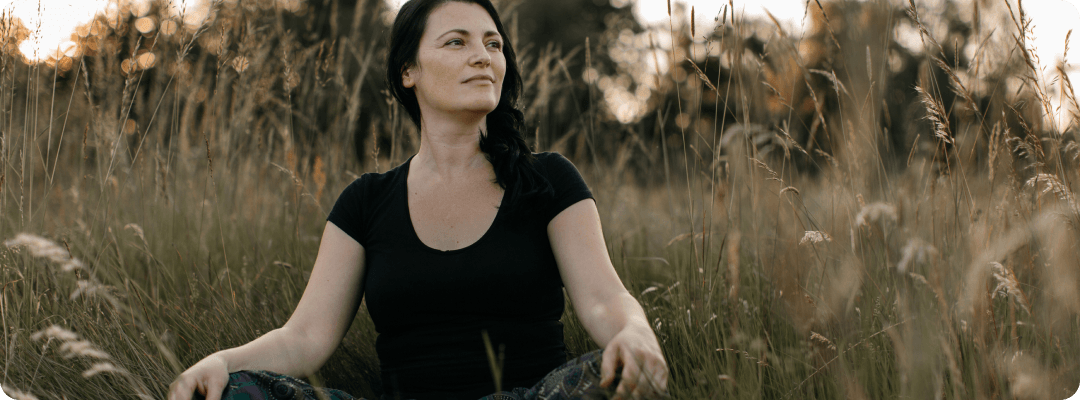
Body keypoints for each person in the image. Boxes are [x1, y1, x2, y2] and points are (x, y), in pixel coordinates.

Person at [166, 1, 668, 399]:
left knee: (612, 378)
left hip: (532, 397)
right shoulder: (365, 202)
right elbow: (304, 338)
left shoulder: (547, 180)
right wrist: (222, 363)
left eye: (493, 44)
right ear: (409, 71)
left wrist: (635, 333)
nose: (483, 56)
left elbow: (605, 300)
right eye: (457, 42)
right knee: (234, 391)